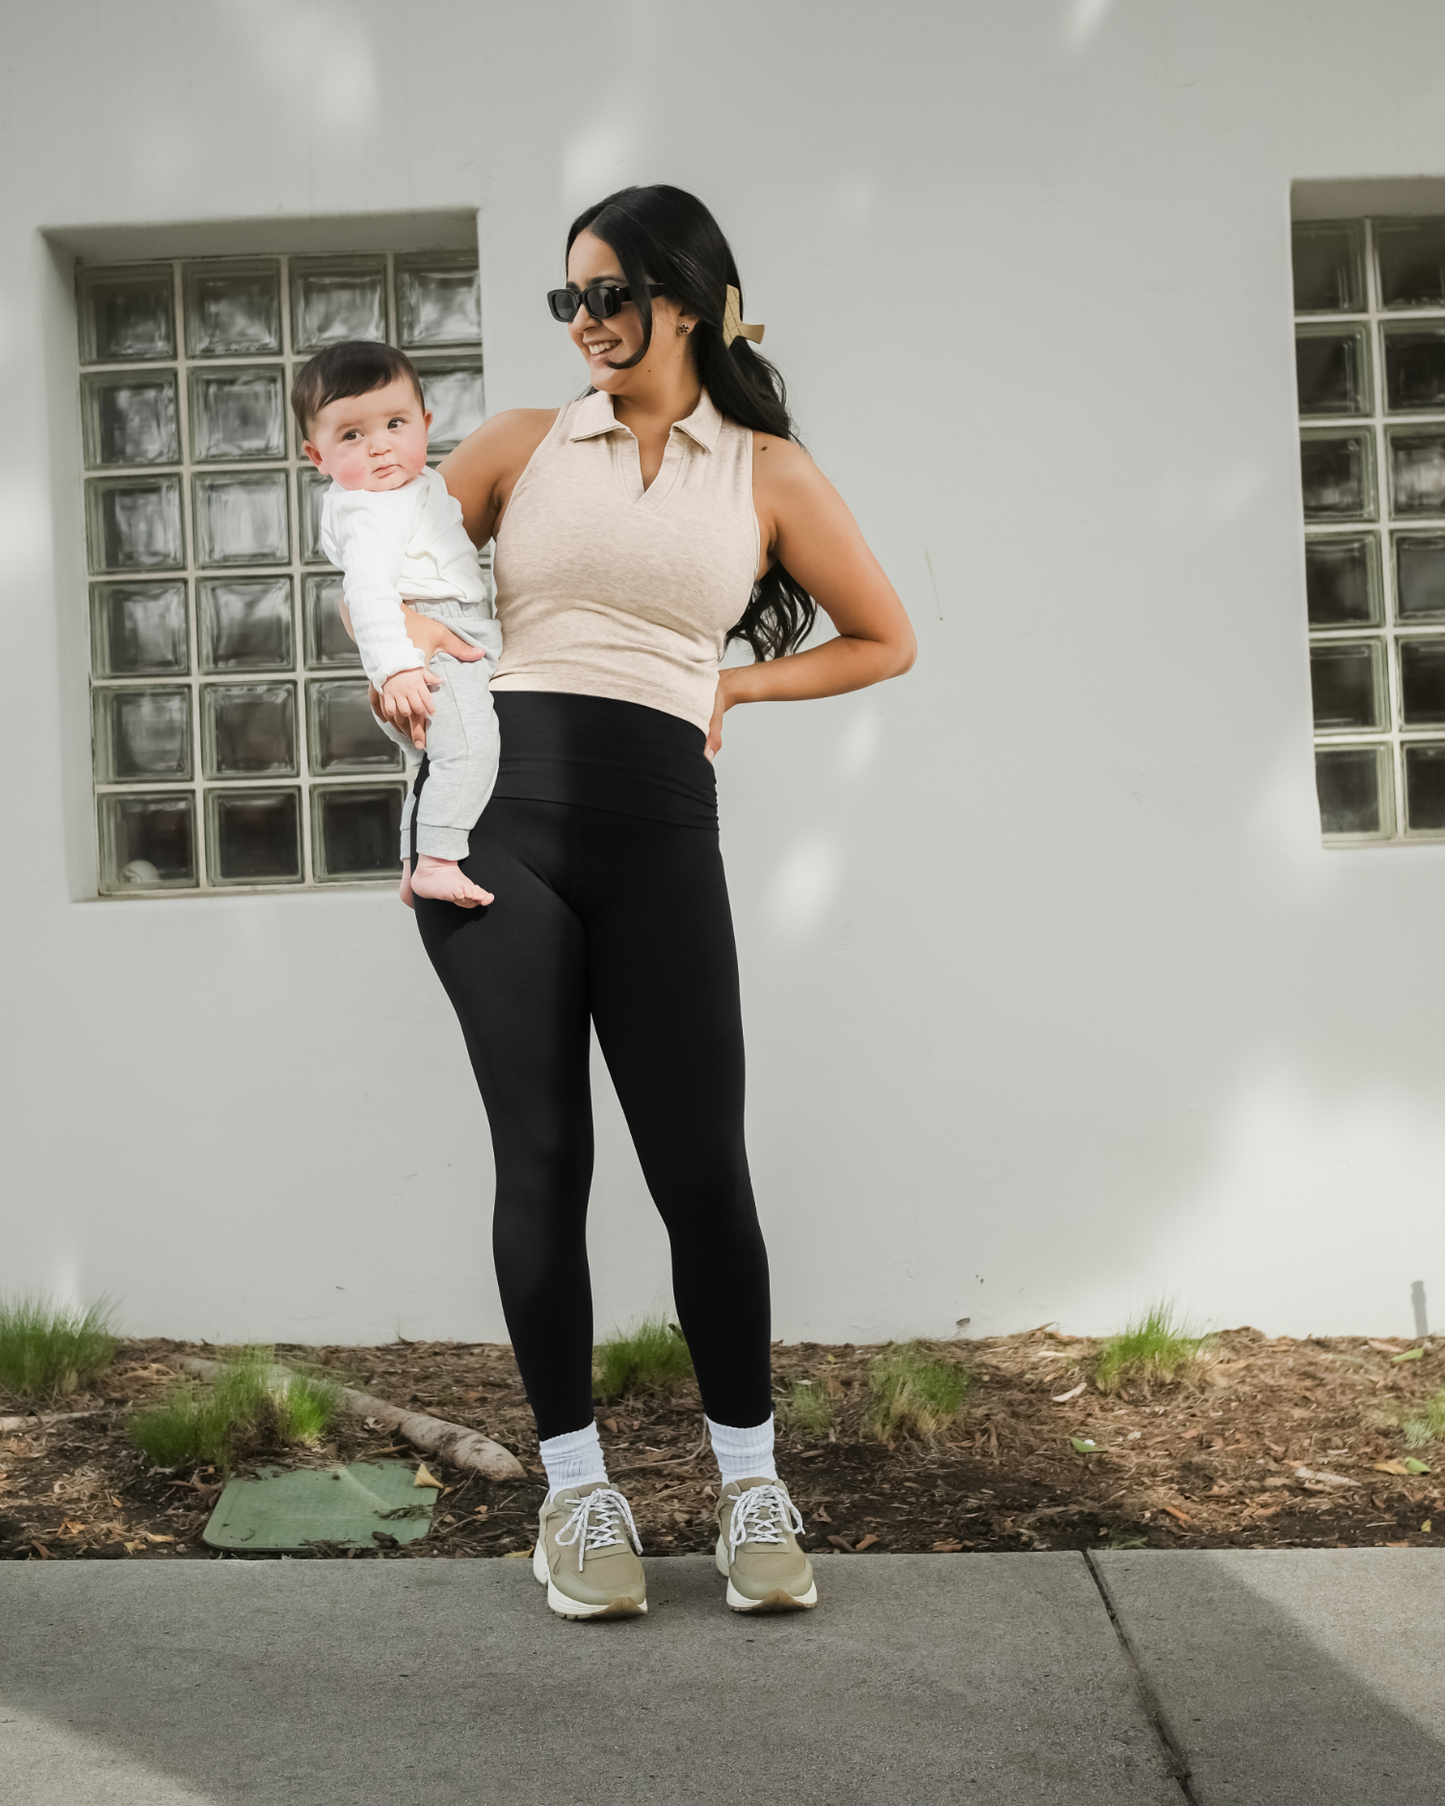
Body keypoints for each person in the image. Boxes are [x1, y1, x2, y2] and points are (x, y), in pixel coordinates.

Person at [379, 185, 916, 1618]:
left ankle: (751, 1485)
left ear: (686, 296)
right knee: (543, 1161)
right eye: (569, 300)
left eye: (609, 293)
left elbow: (884, 638)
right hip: (498, 827)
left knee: (702, 1173)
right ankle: (578, 1498)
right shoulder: (515, 445)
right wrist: (412, 661)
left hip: (662, 830)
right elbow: (392, 575)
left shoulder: (767, 472)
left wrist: (735, 679)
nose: (587, 323)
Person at [294, 341, 501, 909]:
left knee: (430, 762)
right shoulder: (369, 510)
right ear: (318, 456)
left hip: (443, 634)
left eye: (394, 423)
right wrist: (397, 669)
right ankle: (438, 860)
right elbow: (367, 592)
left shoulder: (416, 484)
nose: (380, 445)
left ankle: (412, 864)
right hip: (420, 647)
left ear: (425, 425)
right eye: (352, 436)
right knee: (471, 747)